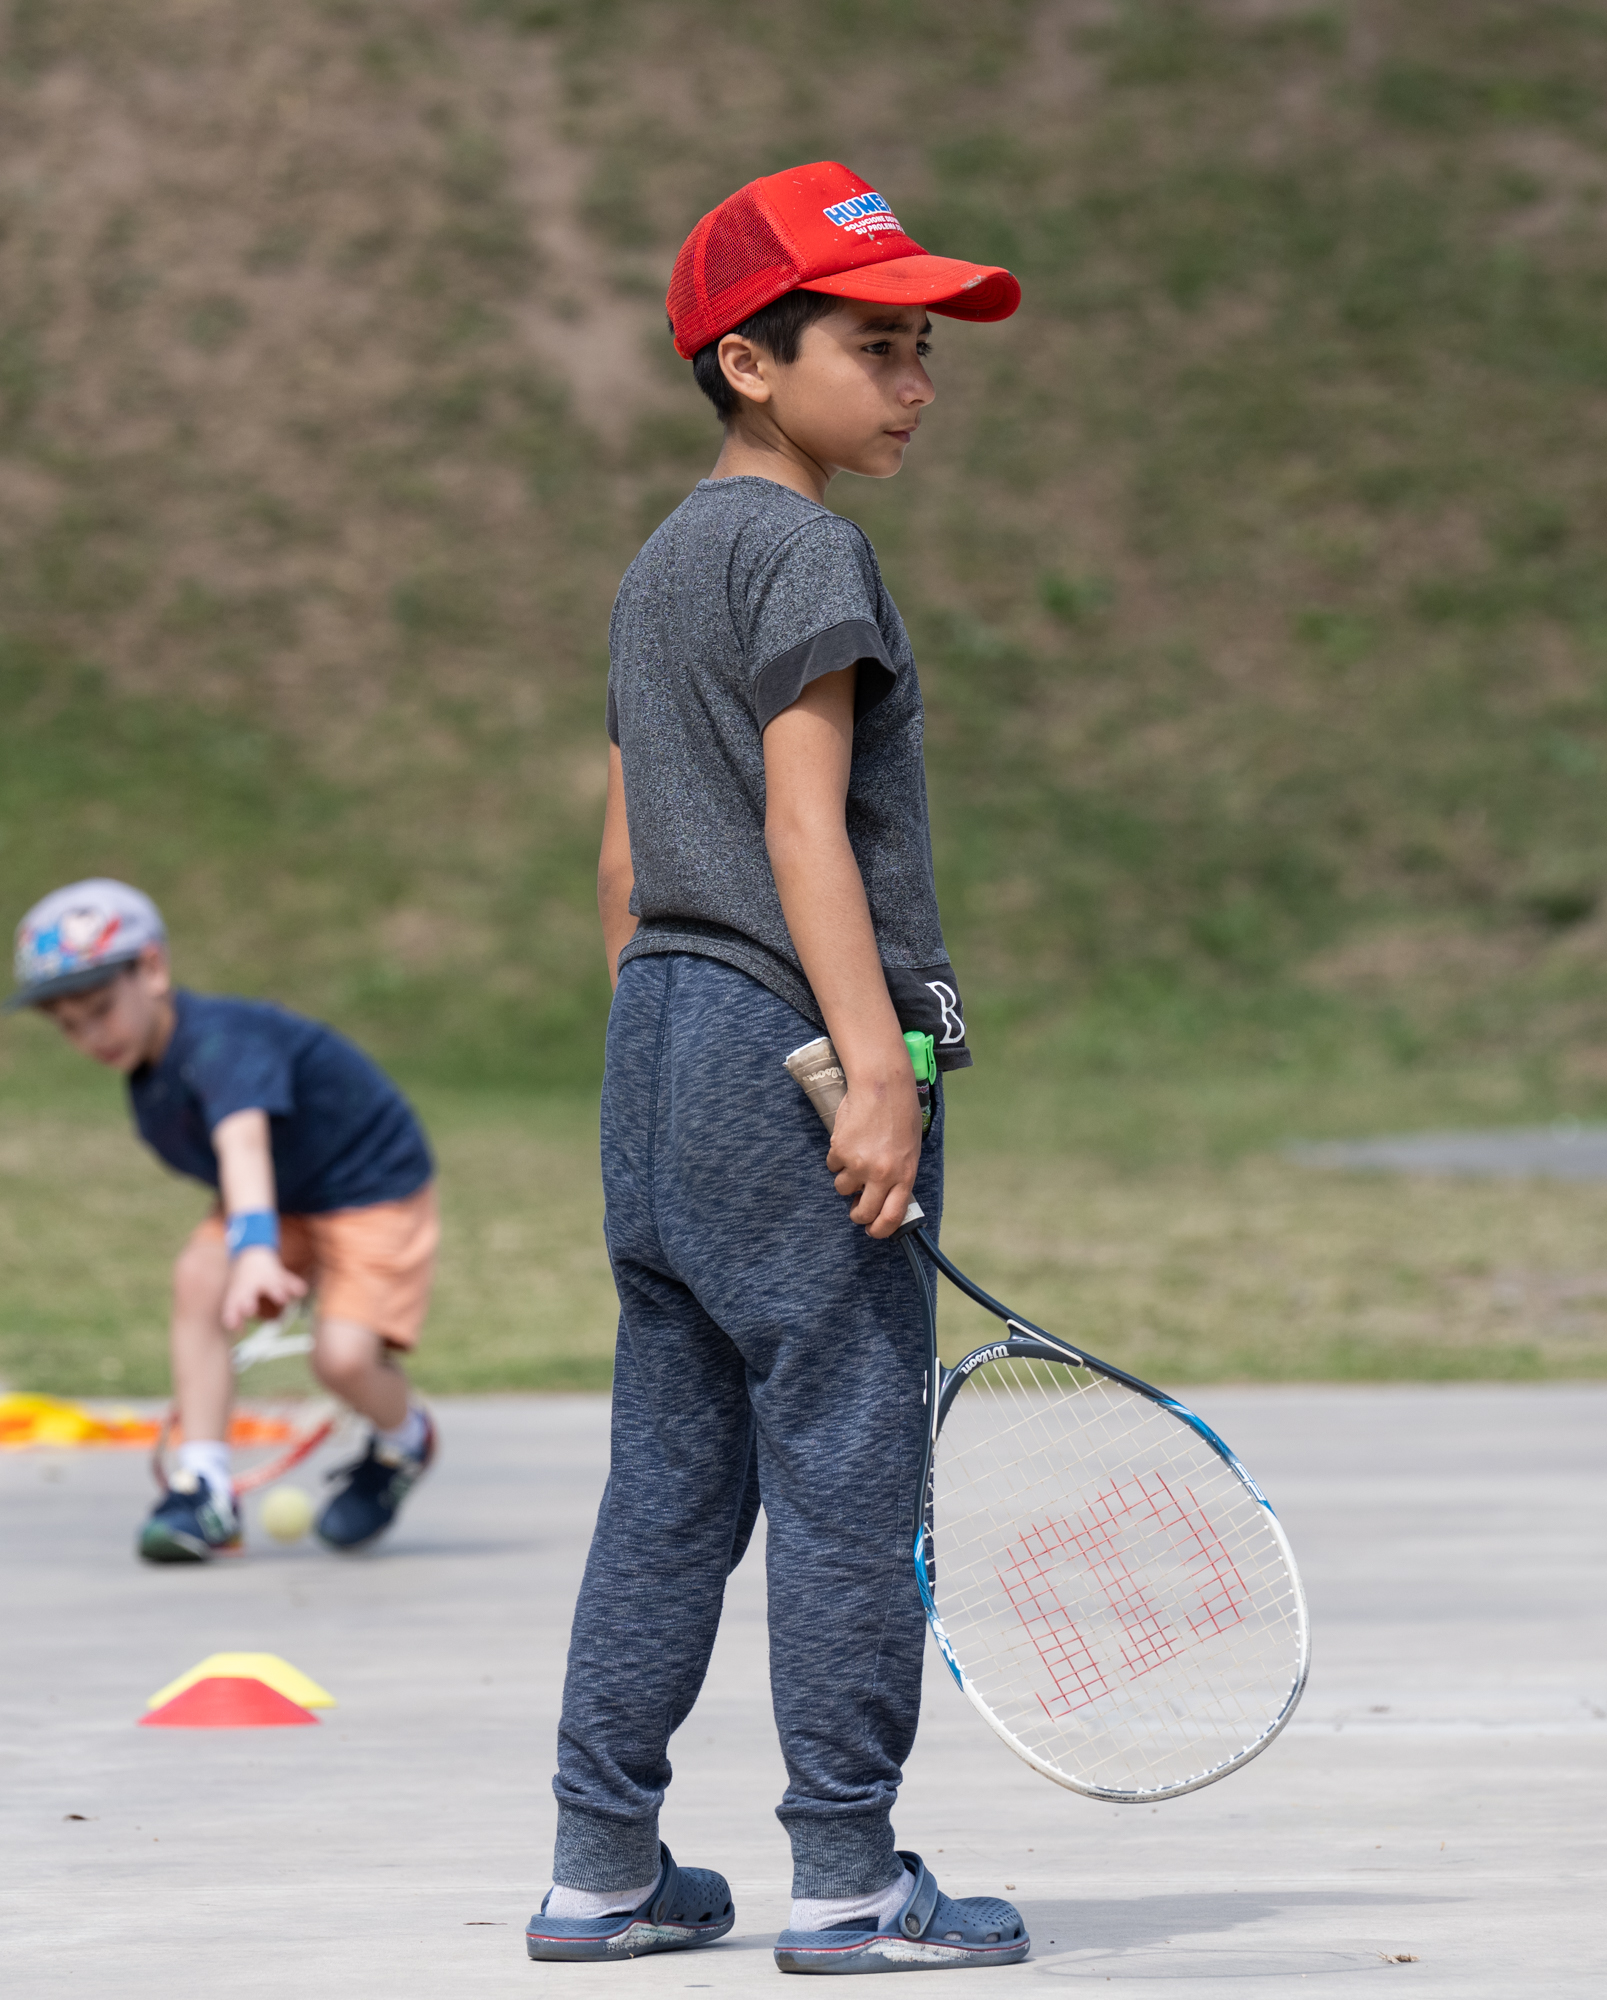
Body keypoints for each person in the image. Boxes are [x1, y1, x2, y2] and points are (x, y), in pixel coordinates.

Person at [526, 163, 1031, 1973]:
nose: (914, 382)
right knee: (843, 1459)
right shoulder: (810, 553)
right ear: (750, 360)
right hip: (793, 1041)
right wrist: (877, 1072)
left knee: (666, 1479)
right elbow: (801, 826)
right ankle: (847, 1880)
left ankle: (601, 1869)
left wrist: (668, 1062)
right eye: (876, 345)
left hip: (659, 1042)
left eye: (923, 349)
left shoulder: (658, 566)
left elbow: (620, 858)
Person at [4, 878, 441, 1564]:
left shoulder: (219, 1043)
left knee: (344, 1360)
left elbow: (244, 1142)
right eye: (69, 1025)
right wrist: (248, 1247)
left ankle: (404, 1440)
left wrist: (258, 1249)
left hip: (370, 1185)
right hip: (289, 1191)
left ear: (152, 969)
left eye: (99, 1009)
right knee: (199, 1277)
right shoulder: (149, 1079)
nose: (90, 1036)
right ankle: (202, 1486)